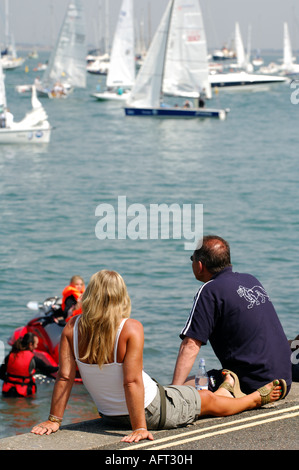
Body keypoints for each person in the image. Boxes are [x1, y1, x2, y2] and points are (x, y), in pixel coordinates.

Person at [31, 270, 286, 442]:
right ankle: (254, 399)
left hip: (109, 414)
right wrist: (140, 427)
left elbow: (64, 377)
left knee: (188, 394)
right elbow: (131, 382)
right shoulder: (130, 328)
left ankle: (228, 386)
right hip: (151, 410)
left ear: (90, 296)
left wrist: (55, 420)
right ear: (121, 296)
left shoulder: (71, 327)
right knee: (205, 400)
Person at [172, 235, 292, 395]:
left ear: (200, 265)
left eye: (192, 259)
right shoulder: (251, 280)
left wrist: (173, 391)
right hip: (284, 380)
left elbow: (191, 345)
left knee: (184, 389)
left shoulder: (209, 291)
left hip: (253, 384)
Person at [1, 333, 58, 397]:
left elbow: (1, 374)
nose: (36, 346)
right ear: (30, 344)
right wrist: (60, 367)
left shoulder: (10, 356)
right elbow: (48, 369)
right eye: (36, 344)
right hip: (24, 394)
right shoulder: (33, 359)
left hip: (7, 392)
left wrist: (10, 380)